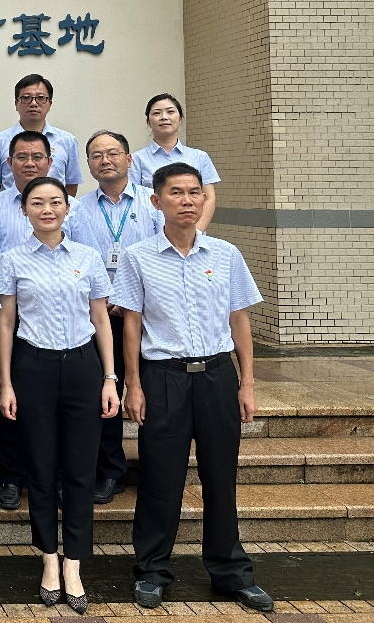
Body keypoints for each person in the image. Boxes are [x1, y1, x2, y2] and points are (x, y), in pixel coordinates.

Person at [112, 162, 273, 613]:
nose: (187, 200)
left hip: (218, 377)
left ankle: (231, 571)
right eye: (176, 192)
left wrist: (247, 383)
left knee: (221, 476)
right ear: (156, 201)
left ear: (204, 198)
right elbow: (131, 325)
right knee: (160, 479)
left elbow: (239, 319)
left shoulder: (226, 253)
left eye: (194, 192)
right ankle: (152, 570)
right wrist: (133, 385)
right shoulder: (138, 257)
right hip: (163, 378)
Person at [0, 176, 118, 615]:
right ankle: (48, 558)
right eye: (37, 203)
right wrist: (5, 383)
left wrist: (110, 378)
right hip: (33, 368)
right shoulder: (12, 260)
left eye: (54, 202)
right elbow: (5, 323)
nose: (46, 210)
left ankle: (74, 564)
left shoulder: (88, 257)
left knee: (81, 470)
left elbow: (101, 319)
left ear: (68, 208)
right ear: (24, 210)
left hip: (83, 367)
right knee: (41, 467)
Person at [68, 131, 162, 505]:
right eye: (96, 155)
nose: (105, 160)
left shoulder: (153, 205)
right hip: (98, 316)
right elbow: (72, 259)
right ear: (89, 164)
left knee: (153, 391)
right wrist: (103, 299)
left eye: (112, 153)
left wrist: (130, 299)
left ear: (128, 159)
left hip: (146, 315)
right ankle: (110, 471)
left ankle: (158, 468)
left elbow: (162, 255)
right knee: (104, 393)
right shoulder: (76, 210)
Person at [0, 130, 54, 509]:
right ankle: (10, 474)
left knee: (53, 406)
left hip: (54, 317)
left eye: (37, 156)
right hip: (8, 316)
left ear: (49, 162)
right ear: (9, 163)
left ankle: (52, 475)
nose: (30, 163)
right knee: (12, 398)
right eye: (22, 157)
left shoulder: (67, 206)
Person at [129, 94, 220, 231]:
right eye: (156, 113)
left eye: (170, 112)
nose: (164, 117)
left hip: (192, 234)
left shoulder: (199, 157)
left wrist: (195, 233)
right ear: (148, 121)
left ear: (180, 118)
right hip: (151, 234)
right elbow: (134, 201)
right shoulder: (137, 159)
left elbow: (209, 198)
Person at [0, 74, 82, 197]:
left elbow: (71, 184)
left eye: (40, 98)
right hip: (10, 208)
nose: (33, 103)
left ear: (50, 104)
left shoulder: (67, 141)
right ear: (16, 104)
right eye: (26, 98)